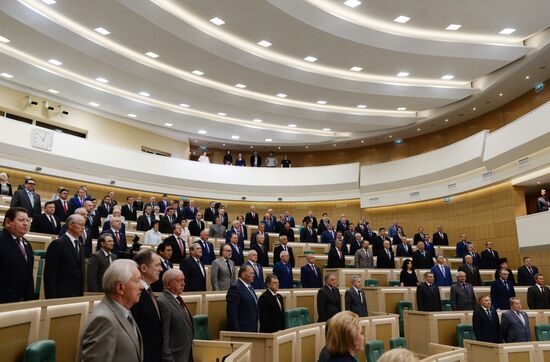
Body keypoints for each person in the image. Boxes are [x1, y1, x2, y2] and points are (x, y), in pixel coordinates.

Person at [80, 259, 143, 362]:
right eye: (137, 281)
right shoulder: (104, 320)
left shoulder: (125, 312)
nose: (141, 287)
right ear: (120, 287)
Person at [131, 249, 163, 362]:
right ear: (144, 268)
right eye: (157, 265)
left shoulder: (148, 291)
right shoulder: (134, 295)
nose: (161, 269)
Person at [44, 214, 85, 299]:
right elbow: (50, 274)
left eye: (84, 225)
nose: (83, 228)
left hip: (77, 295)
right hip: (61, 295)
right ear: (70, 225)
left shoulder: (80, 245)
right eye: (81, 225)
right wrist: (51, 299)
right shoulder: (58, 244)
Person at [157, 269, 194, 362]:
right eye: (179, 281)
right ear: (168, 284)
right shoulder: (163, 302)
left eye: (183, 280)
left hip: (185, 354)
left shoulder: (177, 298)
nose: (183, 284)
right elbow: (164, 336)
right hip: (175, 357)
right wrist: (168, 358)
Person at [0, 207, 34, 303]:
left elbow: (29, 276)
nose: (25, 223)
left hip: (23, 302)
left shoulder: (27, 244)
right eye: (21, 220)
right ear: (7, 222)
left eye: (27, 220)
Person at [226, 265, 259, 332]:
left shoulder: (250, 287)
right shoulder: (235, 288)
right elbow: (232, 313)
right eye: (251, 273)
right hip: (242, 330)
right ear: (243, 274)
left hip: (252, 328)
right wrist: (237, 332)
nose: (254, 275)